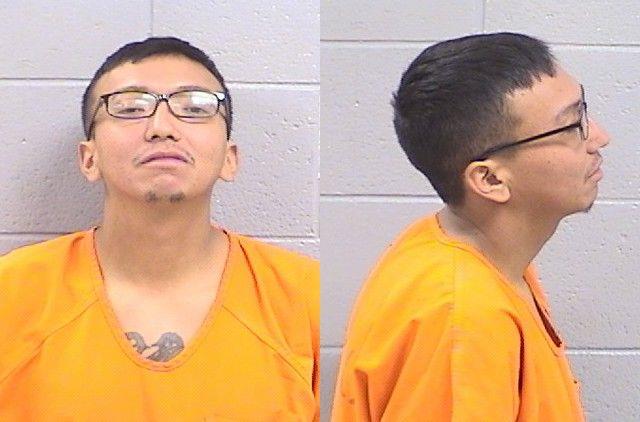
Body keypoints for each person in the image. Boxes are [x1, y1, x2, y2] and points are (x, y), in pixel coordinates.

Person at [0, 37, 318, 421]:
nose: (161, 127)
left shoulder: (303, 297)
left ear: (229, 159)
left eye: (195, 108)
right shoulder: (12, 294)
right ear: (89, 159)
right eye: (130, 108)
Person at [331, 32, 609, 421]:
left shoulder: (485, 254)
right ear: (490, 179)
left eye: (584, 111)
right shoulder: (462, 317)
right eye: (570, 125)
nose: (599, 137)